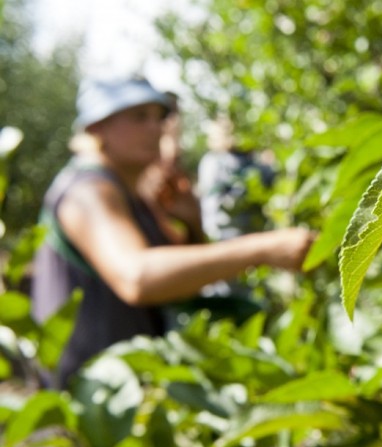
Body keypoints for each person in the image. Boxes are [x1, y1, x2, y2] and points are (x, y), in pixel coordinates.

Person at [30, 77, 315, 389]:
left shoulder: (128, 192)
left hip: (123, 392)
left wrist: (192, 222)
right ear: (97, 128)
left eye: (159, 117)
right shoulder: (88, 190)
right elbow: (136, 278)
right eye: (140, 117)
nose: (157, 128)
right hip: (87, 399)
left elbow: (177, 285)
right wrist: (262, 249)